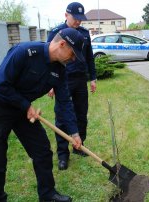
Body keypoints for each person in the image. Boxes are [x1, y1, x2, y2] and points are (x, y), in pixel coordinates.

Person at [0, 28, 83, 202]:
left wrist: (74, 133)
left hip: (21, 109)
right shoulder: (24, 52)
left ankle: (47, 194)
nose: (73, 59)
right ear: (62, 44)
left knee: (42, 151)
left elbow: (65, 102)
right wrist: (26, 105)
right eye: (73, 54)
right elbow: (1, 85)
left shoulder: (60, 70)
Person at [47, 2, 97, 170]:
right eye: (75, 18)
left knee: (81, 114)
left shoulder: (84, 34)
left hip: (80, 79)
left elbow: (89, 57)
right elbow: (50, 58)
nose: (78, 22)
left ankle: (79, 146)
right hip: (63, 79)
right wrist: (50, 83)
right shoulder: (56, 33)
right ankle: (63, 154)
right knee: (61, 116)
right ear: (66, 15)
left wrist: (93, 78)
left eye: (81, 19)